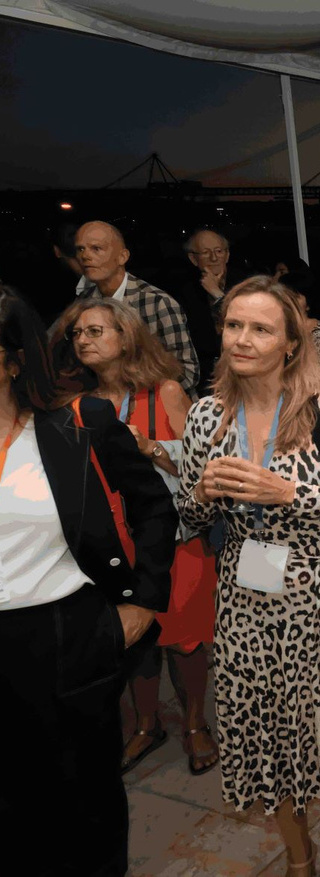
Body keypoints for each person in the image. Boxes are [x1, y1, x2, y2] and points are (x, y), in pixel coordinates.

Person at [177, 276, 320, 876]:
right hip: (245, 596)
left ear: (290, 343)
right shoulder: (206, 416)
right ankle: (298, 856)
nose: (242, 338)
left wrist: (289, 492)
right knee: (263, 732)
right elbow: (191, 517)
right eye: (234, 325)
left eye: (261, 328)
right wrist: (200, 493)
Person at [0, 288, 177, 876]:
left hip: (63, 633)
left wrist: (146, 601)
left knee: (85, 797)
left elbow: (154, 506)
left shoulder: (74, 424)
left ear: (12, 359)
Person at [50, 298, 219, 779]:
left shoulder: (162, 393)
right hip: (109, 547)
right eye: (77, 334)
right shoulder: (75, 406)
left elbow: (201, 470)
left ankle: (193, 724)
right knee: (130, 638)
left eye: (96, 330)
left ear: (125, 337)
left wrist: (152, 448)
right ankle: (146, 726)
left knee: (184, 640)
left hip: (175, 541)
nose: (83, 340)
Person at [74, 221, 200, 396]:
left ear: (122, 256)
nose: (85, 256)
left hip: (156, 409)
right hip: (106, 406)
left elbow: (187, 373)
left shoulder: (156, 302)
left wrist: (131, 393)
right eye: (80, 249)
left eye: (96, 248)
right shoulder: (83, 303)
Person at [174, 229, 247, 391]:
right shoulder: (183, 291)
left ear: (227, 255)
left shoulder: (246, 284)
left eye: (219, 251)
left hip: (244, 368)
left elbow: (246, 322)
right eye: (206, 253)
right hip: (204, 376)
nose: (214, 258)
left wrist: (217, 293)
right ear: (193, 259)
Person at [281, 266, 320, 380]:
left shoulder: (317, 335)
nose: (289, 301)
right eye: (285, 296)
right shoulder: (282, 329)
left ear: (308, 304)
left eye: (295, 297)